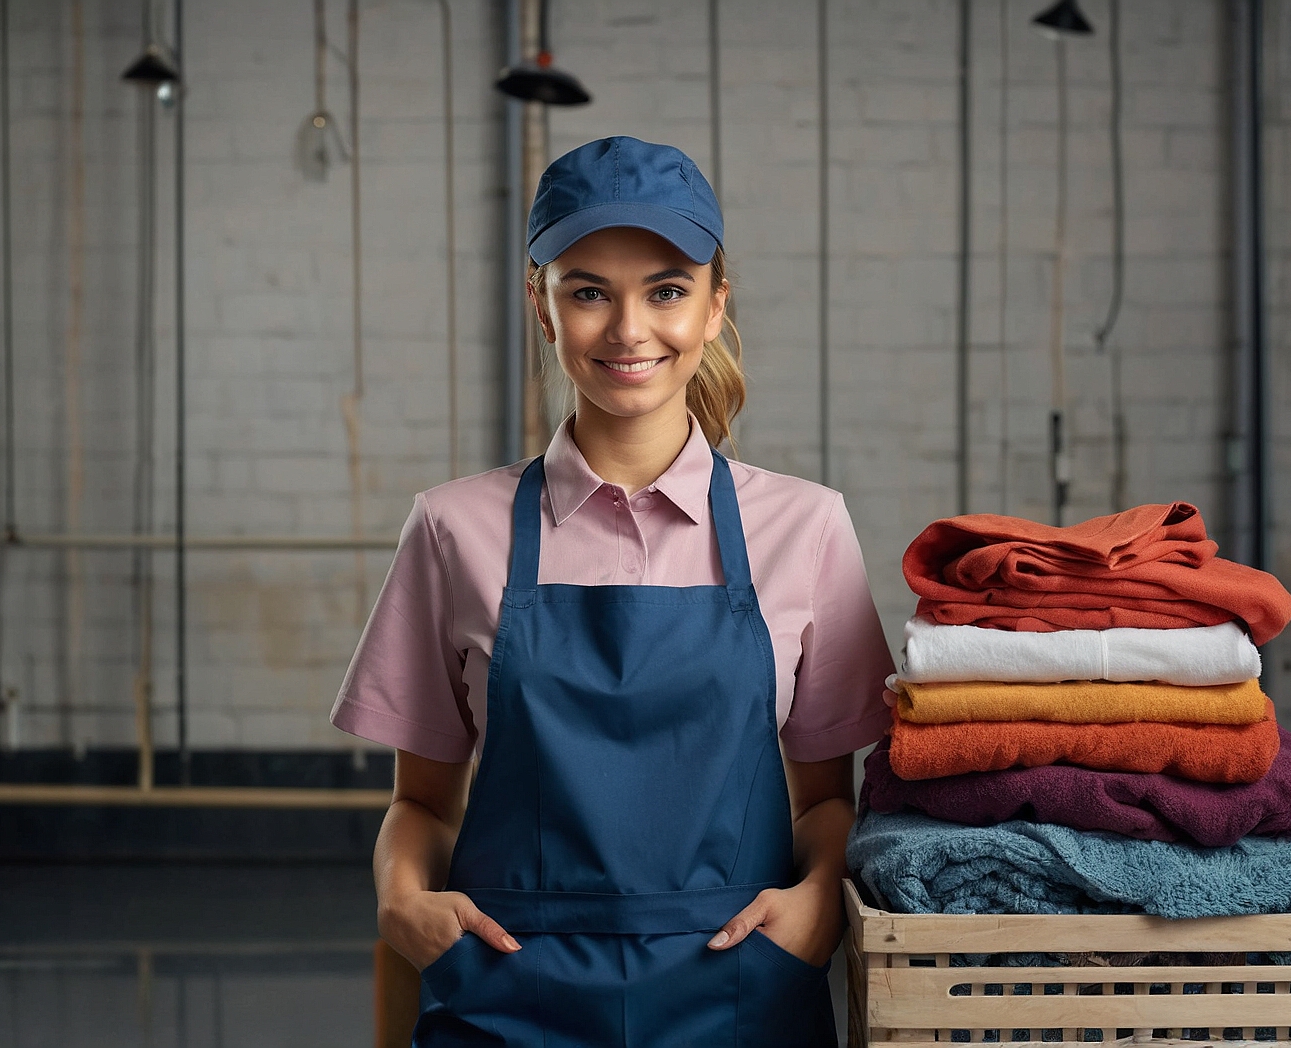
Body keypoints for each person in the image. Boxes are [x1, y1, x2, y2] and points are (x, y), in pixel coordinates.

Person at [331, 135, 894, 1047]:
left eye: (666, 289)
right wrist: (403, 906)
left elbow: (825, 800)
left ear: (715, 306)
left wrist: (818, 904)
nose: (629, 330)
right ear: (542, 309)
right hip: (505, 991)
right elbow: (423, 804)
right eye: (588, 290)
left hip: (739, 990)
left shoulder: (807, 527)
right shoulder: (450, 529)